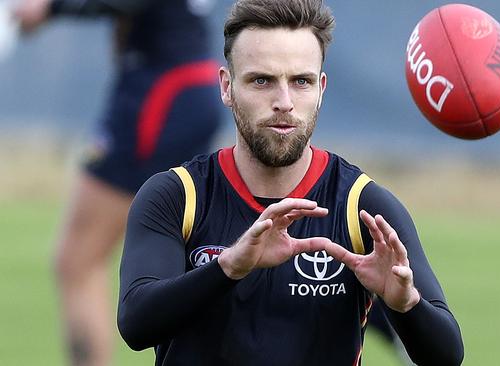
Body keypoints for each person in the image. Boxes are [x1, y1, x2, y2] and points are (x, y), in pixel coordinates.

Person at [117, 0, 464, 364]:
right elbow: (136, 324)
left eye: (301, 81)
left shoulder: (363, 208)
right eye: (262, 80)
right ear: (227, 86)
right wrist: (229, 266)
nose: (283, 102)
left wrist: (406, 304)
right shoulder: (176, 196)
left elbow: (447, 356)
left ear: (321, 89)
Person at [12, 0, 223, 365]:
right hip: (189, 80)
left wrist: (50, 7)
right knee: (198, 258)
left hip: (160, 91)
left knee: (78, 260)